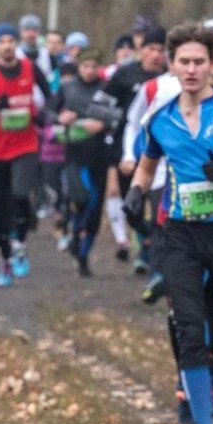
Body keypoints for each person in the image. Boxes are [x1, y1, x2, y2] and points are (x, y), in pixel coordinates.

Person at [126, 23, 213, 424]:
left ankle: (209, 378)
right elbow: (146, 165)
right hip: (179, 232)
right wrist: (136, 193)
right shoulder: (159, 118)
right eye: (184, 62)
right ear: (172, 65)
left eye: (200, 61)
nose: (193, 69)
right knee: (189, 327)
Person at [0, 23, 50, 286]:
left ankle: (20, 243)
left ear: (16, 44)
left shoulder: (29, 68)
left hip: (25, 146)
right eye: (1, 41)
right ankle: (4, 260)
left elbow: (52, 96)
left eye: (11, 40)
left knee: (20, 194)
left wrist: (46, 116)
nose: (7, 45)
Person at [49, 47, 122, 276]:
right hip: (74, 154)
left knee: (94, 208)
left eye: (93, 67)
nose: (89, 71)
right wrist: (61, 118)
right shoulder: (68, 88)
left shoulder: (107, 89)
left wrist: (102, 123)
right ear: (78, 66)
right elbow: (47, 112)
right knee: (80, 198)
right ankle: (74, 230)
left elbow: (120, 115)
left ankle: (83, 253)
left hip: (100, 154)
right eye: (85, 66)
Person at [105, 24, 168, 271]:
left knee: (158, 205)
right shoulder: (125, 74)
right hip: (128, 148)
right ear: (141, 50)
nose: (156, 55)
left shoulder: (173, 77)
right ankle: (144, 237)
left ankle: (147, 252)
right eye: (151, 49)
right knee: (131, 207)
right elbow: (98, 105)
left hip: (160, 155)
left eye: (161, 50)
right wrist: (120, 115)